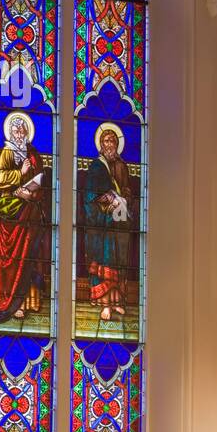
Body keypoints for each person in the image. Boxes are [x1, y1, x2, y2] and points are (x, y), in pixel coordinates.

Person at [0, 111, 47, 321]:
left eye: (22, 130)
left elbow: (41, 181)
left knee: (26, 259)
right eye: (15, 130)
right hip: (8, 212)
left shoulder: (33, 154)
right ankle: (6, 302)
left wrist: (31, 192)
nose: (19, 133)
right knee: (8, 261)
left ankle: (25, 302)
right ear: (11, 133)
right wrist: (20, 175)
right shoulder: (7, 153)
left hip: (28, 212)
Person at [84, 123, 133, 322]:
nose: (110, 144)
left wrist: (125, 199)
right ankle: (105, 304)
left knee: (119, 261)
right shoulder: (97, 166)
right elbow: (90, 194)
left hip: (119, 221)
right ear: (101, 145)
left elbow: (127, 189)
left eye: (113, 140)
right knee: (104, 260)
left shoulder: (122, 166)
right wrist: (108, 202)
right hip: (102, 223)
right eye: (106, 141)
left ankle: (118, 301)